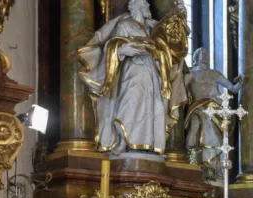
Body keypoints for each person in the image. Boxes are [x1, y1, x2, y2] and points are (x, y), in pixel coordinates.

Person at [76, 0, 188, 154]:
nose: (148, 7)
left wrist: (180, 17)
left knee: (150, 108)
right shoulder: (125, 25)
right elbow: (112, 45)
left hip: (152, 72)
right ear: (135, 6)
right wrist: (123, 50)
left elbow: (170, 42)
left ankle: (149, 143)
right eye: (145, 4)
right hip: (132, 70)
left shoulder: (152, 26)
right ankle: (122, 142)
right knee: (129, 104)